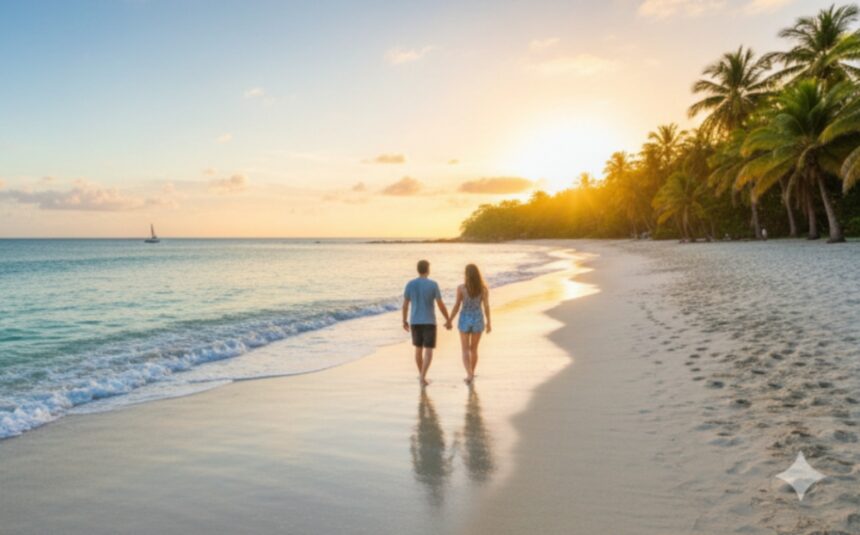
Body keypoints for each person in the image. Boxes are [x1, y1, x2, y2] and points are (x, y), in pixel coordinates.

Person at [403, 260, 451, 387]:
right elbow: (440, 304)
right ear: (428, 269)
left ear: (418, 269)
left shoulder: (410, 284)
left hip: (415, 321)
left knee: (418, 349)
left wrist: (404, 320)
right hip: (429, 321)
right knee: (428, 350)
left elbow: (405, 304)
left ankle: (422, 376)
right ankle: (422, 376)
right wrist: (448, 319)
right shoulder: (433, 284)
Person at [447, 264, 491, 384]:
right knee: (474, 349)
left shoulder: (461, 288)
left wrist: (450, 320)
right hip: (478, 318)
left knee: (465, 350)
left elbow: (457, 305)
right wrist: (489, 323)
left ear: (466, 274)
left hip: (464, 319)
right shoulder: (483, 289)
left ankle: (469, 374)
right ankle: (471, 372)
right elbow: (486, 306)